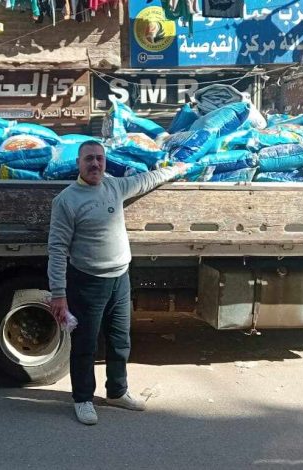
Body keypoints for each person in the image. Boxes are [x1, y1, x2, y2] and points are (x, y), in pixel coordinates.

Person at [47, 140, 187, 425]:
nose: (95, 164)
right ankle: (83, 399)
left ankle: (117, 391)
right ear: (78, 163)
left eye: (99, 158)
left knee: (120, 340)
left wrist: (177, 169)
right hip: (88, 282)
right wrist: (58, 293)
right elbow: (57, 249)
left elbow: (146, 180)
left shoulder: (114, 186)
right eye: (89, 159)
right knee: (85, 344)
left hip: (120, 279)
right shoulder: (66, 200)